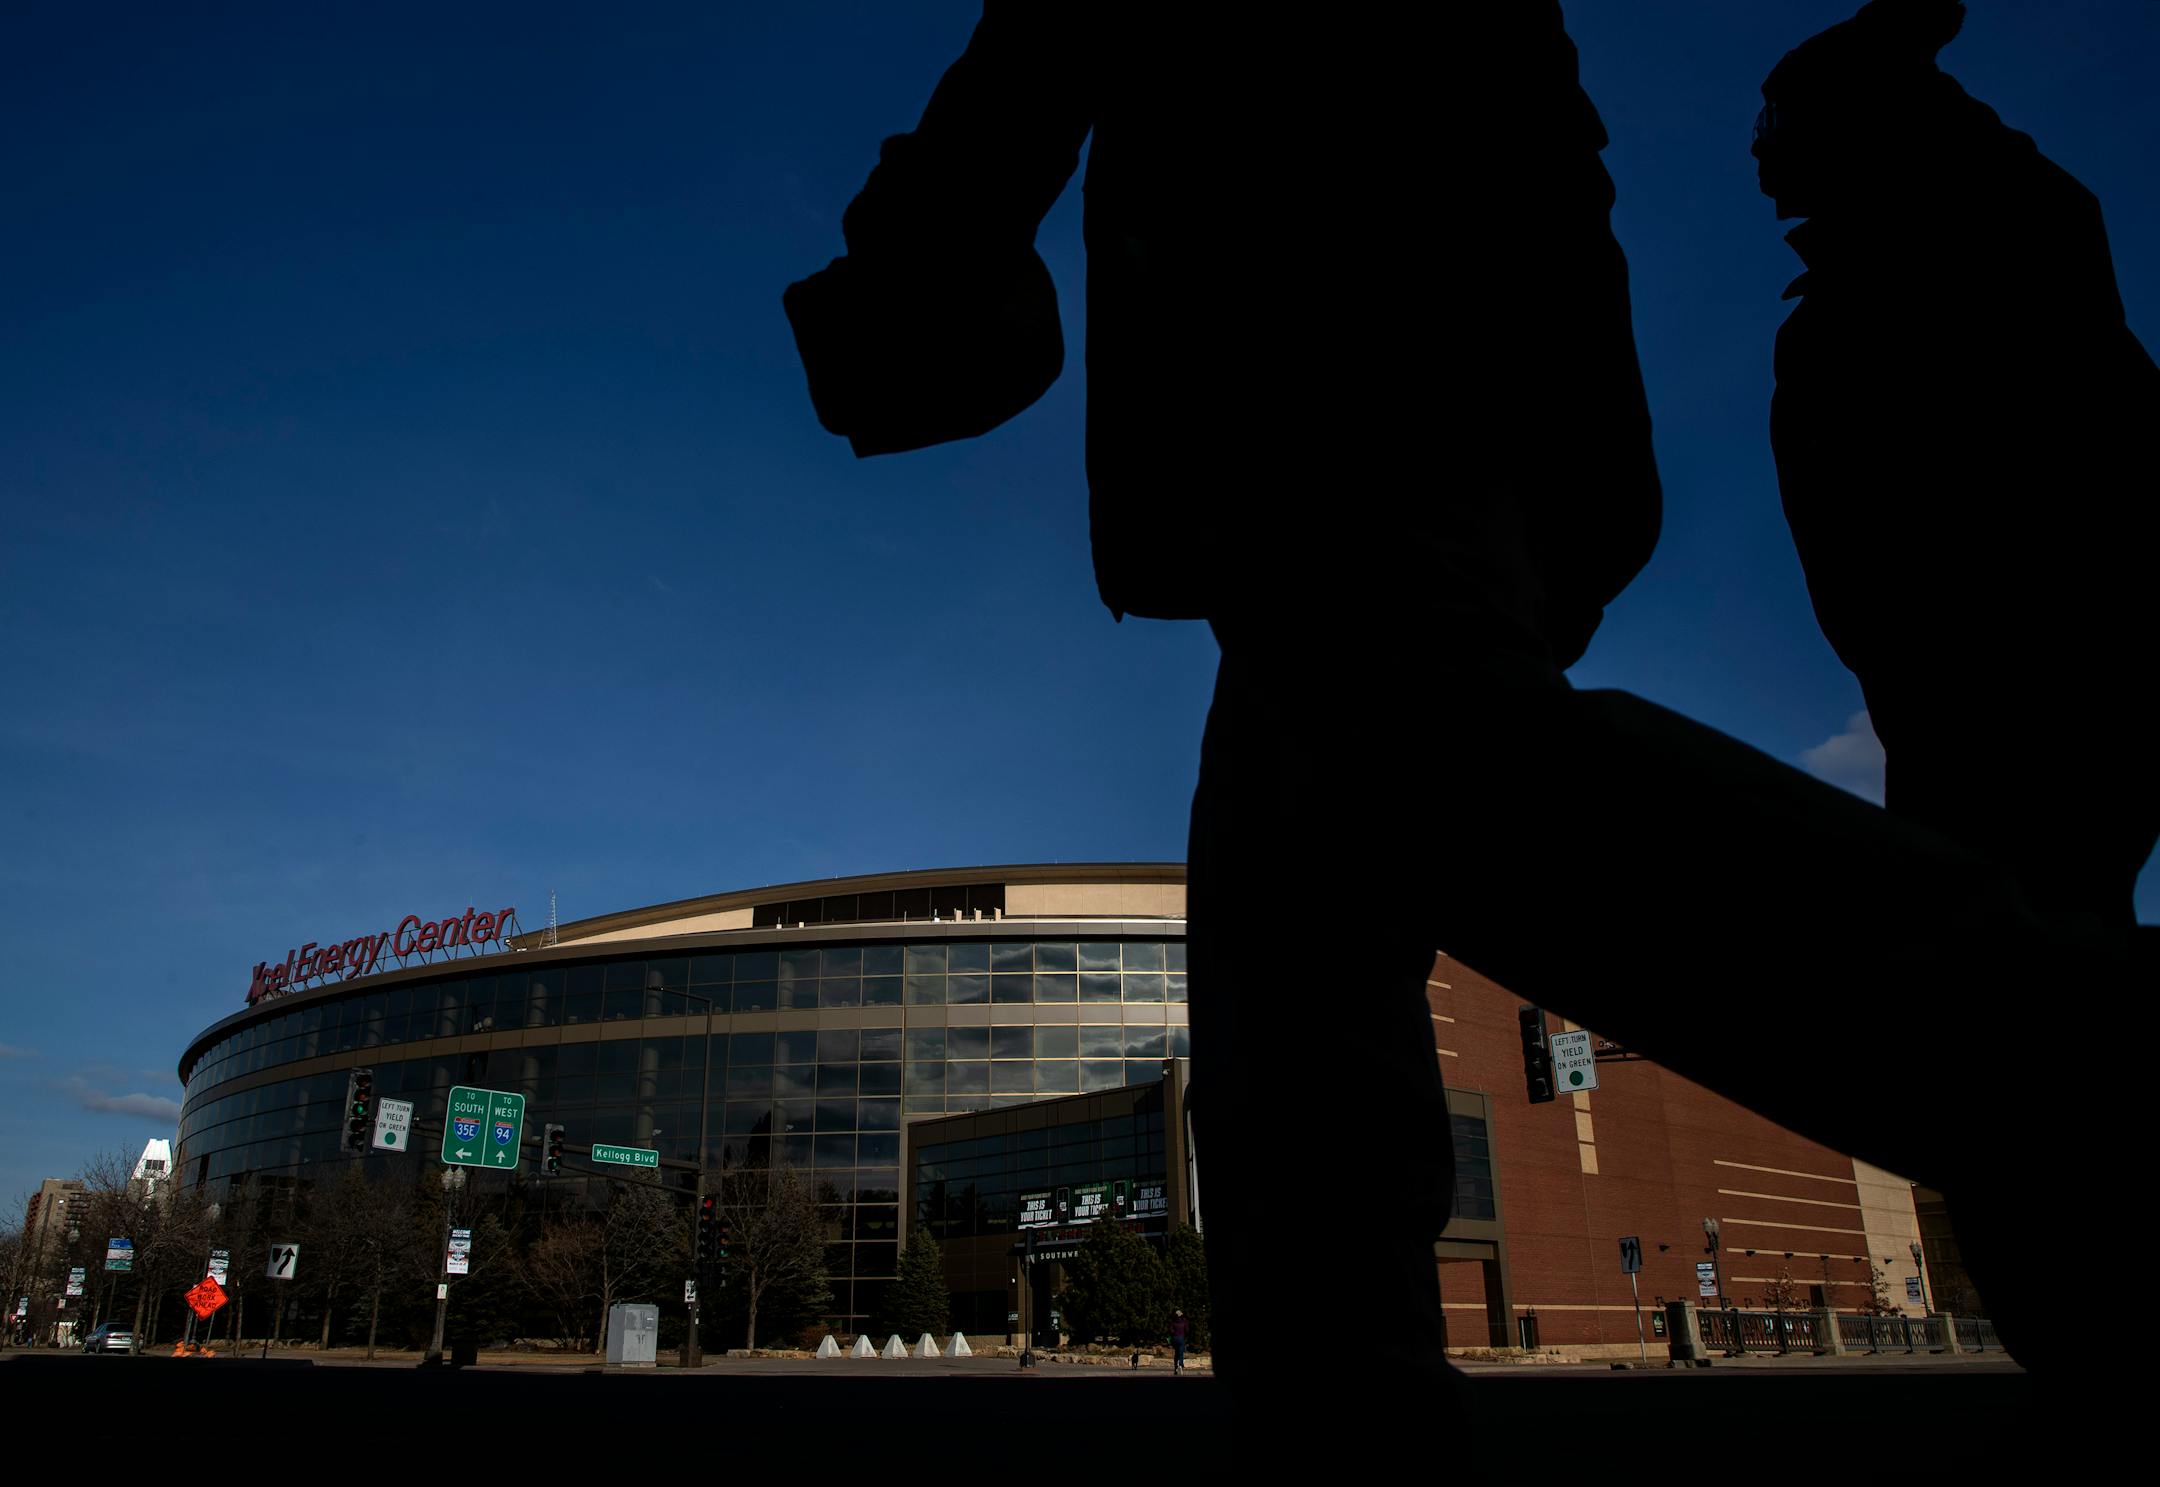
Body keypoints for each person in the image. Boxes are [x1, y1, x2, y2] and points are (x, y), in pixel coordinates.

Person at [785, 2, 2140, 1414]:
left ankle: (2081, 1062)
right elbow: (1546, 143)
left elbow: (1032, 70)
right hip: (1418, 413)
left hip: (1335, 392)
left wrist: (912, 255)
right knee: (1300, 914)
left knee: (1421, 796)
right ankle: (1338, 1397)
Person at [1757, 0, 2159, 939]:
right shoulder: (1846, 312)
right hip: (1957, 705)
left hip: (2017, 698)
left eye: (1778, 122)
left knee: (2019, 930)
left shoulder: (1992, 255)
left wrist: (1886, 45)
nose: (1760, 152)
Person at [1170, 1309, 1188, 1376]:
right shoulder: (1184, 1321)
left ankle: (1175, 1368)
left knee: (1176, 1353)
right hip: (1181, 1338)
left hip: (1175, 1338)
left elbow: (1171, 1331)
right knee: (1181, 1352)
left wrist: (1174, 1334)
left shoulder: (1173, 1322)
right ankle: (1180, 1364)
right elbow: (1187, 1330)